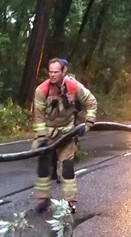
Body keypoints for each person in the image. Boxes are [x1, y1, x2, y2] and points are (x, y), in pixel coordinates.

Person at [31, 58, 98, 213]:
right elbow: (38, 116)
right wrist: (41, 137)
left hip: (67, 134)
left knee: (67, 167)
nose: (52, 75)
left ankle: (70, 201)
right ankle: (43, 199)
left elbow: (91, 102)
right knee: (43, 166)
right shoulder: (41, 90)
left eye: (56, 72)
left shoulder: (74, 87)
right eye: (50, 72)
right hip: (48, 133)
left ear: (63, 72)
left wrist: (88, 124)